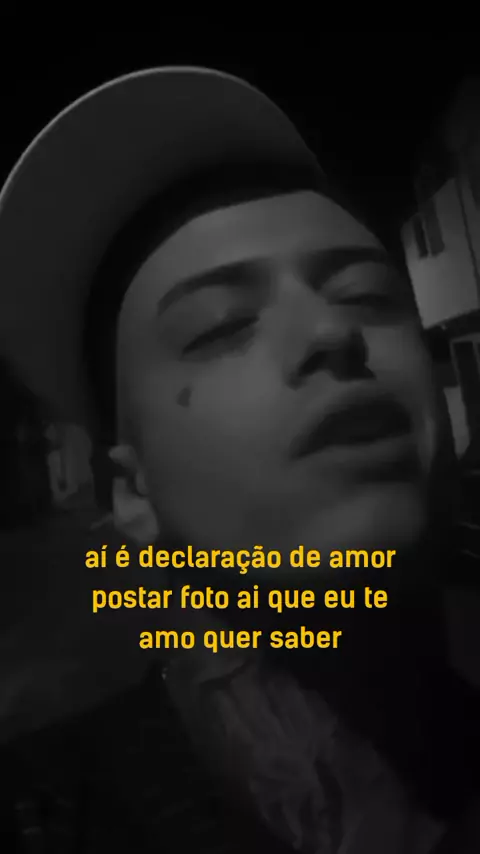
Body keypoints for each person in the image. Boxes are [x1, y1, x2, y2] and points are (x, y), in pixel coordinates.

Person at [0, 67, 479, 853]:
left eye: (368, 296)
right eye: (220, 325)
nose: (333, 333)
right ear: (132, 492)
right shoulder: (47, 810)